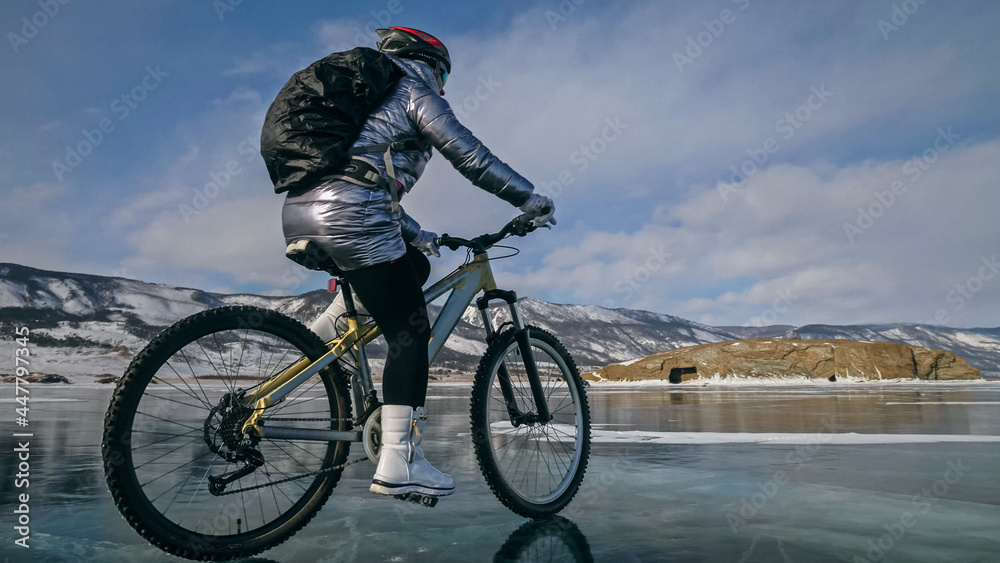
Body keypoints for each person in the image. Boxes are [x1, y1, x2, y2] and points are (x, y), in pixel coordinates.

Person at [281, 26, 556, 499]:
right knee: (409, 334)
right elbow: (470, 156)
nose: (444, 84)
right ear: (429, 61)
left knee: (416, 267)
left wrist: (420, 236)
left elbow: (368, 179)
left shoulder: (366, 101)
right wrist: (528, 198)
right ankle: (399, 461)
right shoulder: (414, 90)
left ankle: (330, 335)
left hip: (304, 209)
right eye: (444, 73)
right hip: (353, 214)